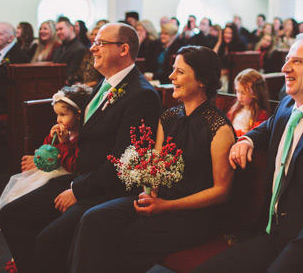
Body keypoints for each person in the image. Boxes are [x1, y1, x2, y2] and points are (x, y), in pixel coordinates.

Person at [194, 32, 303, 273]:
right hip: (271, 233)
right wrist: (247, 140)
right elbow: (269, 126)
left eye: (297, 61)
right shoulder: (288, 105)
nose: (286, 67)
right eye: (287, 59)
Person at [0, 23, 162, 273]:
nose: (92, 48)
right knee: (11, 215)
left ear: (123, 49)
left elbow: (124, 163)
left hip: (107, 189)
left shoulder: (141, 94)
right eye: (93, 42)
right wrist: (65, 141)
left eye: (100, 43)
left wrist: (77, 190)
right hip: (82, 177)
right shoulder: (104, 84)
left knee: (48, 240)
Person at [68, 45, 234, 272]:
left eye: (180, 72)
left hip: (192, 215)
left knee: (126, 239)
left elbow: (221, 191)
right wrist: (151, 191)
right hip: (160, 200)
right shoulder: (168, 117)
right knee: (93, 219)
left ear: (202, 80)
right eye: (173, 69)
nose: (171, 76)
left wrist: (167, 206)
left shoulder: (218, 127)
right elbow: (155, 166)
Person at [0, 84, 93, 223]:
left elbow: (74, 165)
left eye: (63, 115)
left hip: (65, 177)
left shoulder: (81, 137)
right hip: (52, 172)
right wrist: (50, 140)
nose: (58, 120)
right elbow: (48, 150)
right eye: (57, 115)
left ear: (78, 115)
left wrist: (65, 143)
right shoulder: (64, 131)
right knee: (19, 194)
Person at [227, 68, 270, 138]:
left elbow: (252, 136)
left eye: (243, 93)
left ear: (255, 93)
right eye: (237, 91)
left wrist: (230, 132)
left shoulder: (261, 115)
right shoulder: (234, 110)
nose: (239, 96)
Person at [52, 16, 87, 84]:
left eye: (61, 29)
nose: (58, 32)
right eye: (56, 30)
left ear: (71, 28)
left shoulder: (79, 48)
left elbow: (70, 74)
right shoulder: (57, 49)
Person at [213, 23, 246, 90]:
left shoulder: (239, 45)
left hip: (231, 75)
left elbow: (237, 66)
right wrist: (219, 42)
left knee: (220, 86)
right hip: (220, 73)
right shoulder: (222, 45)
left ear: (234, 34)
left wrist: (222, 72)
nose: (227, 35)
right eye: (226, 33)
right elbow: (212, 56)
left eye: (230, 33)